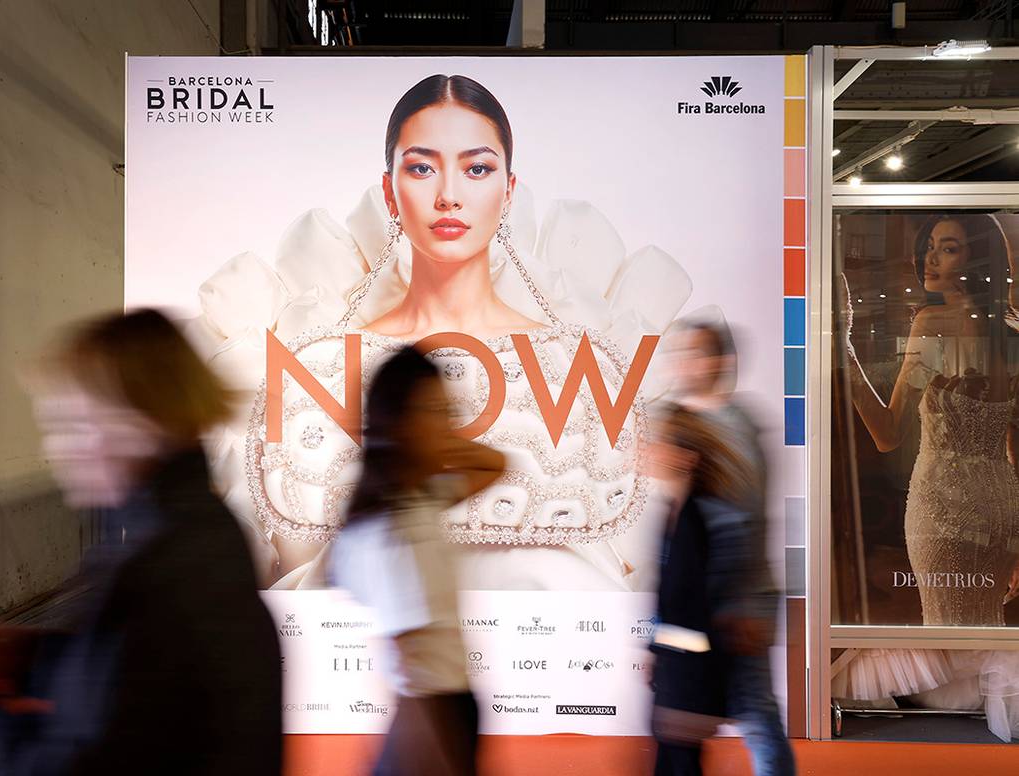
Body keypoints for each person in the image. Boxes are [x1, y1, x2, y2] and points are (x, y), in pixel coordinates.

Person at [192, 72, 695, 591]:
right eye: (422, 168)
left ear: (508, 192)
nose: (449, 196)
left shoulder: (571, 360)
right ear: (390, 191)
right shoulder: (327, 364)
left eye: (477, 168)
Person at [0, 310, 281, 774]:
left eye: (74, 426)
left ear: (137, 424)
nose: (57, 449)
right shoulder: (203, 532)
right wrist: (25, 656)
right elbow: (141, 686)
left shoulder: (154, 569)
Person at [836, 214, 1019, 741]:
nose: (932, 259)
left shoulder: (938, 325)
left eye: (950, 248)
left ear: (975, 260)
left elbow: (889, 432)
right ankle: (977, 728)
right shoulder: (1004, 331)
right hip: (983, 505)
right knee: (973, 620)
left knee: (955, 619)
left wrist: (844, 356)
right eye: (931, 248)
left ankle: (946, 731)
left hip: (956, 505)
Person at [329, 346, 505, 776]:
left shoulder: (420, 498)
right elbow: (410, 663)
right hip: (431, 715)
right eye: (434, 410)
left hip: (452, 705)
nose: (449, 424)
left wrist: (437, 439)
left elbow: (495, 465)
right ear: (398, 420)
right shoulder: (390, 528)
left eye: (449, 410)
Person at [669, 320, 794, 776]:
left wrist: (744, 606)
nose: (684, 362)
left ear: (721, 362)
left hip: (732, 602)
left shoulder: (733, 427)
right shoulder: (682, 419)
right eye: (681, 352)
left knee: (754, 713)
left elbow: (743, 522)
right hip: (697, 600)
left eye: (696, 353)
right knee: (684, 717)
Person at [646, 405, 753, 776]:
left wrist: (686, 685)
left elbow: (707, 608)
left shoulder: (710, 519)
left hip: (690, 680)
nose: (649, 450)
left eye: (658, 443)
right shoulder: (674, 514)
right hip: (677, 676)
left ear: (685, 457)